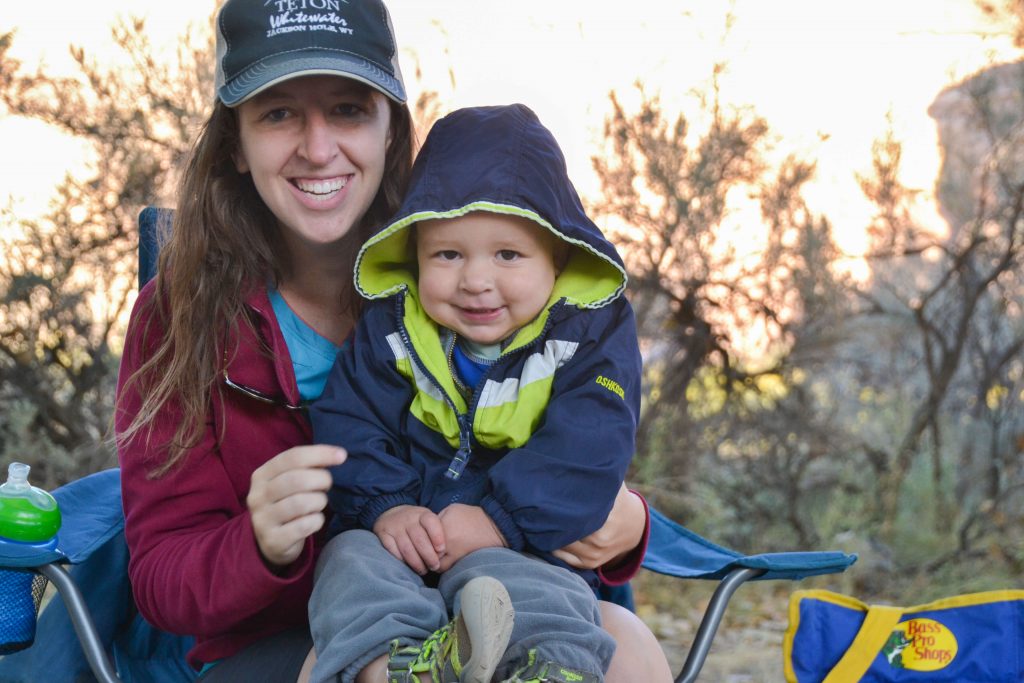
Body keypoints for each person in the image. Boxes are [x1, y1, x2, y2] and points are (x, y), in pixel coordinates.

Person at [113, 0, 672, 682]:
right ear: (235, 140)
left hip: (499, 594)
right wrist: (257, 542)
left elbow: (580, 432)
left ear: (390, 129)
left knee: (629, 649)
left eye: (348, 109)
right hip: (288, 634)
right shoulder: (180, 314)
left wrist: (626, 526)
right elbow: (161, 574)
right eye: (278, 113)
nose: (318, 148)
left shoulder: (485, 259)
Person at [308, 103, 641, 683]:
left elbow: (590, 447)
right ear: (414, 254)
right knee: (349, 561)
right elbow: (347, 422)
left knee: (537, 585)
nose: (476, 280)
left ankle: (550, 670)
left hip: (519, 543)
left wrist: (500, 521)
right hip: (409, 545)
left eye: (508, 254)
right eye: (448, 254)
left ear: (558, 255)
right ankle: (404, 668)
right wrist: (386, 509)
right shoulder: (393, 328)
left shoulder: (588, 333)